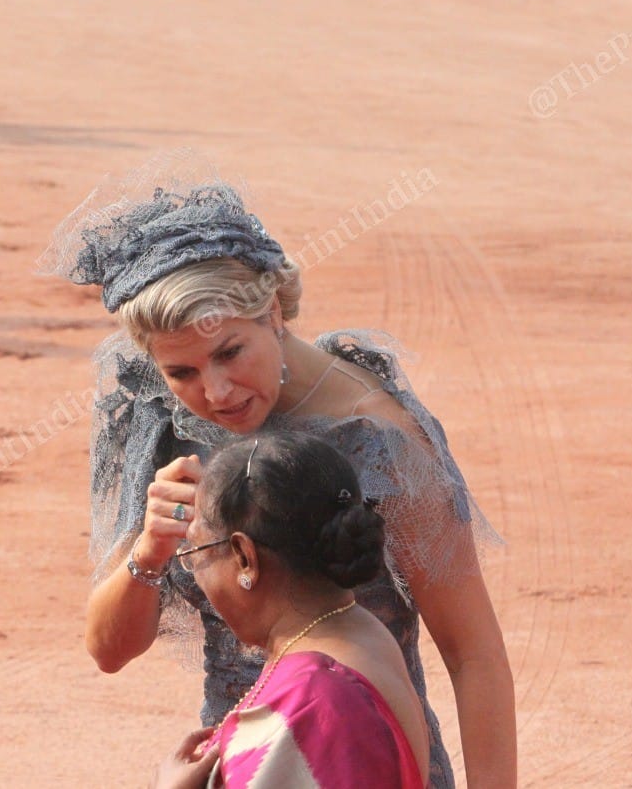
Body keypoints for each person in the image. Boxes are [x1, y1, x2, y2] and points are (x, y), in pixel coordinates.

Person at [39, 154, 515, 788]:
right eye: (181, 372)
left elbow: (473, 653)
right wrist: (150, 552)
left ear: (273, 312)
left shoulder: (381, 438)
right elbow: (109, 650)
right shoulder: (156, 420)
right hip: (242, 763)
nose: (215, 392)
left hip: (365, 758)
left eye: (230, 352)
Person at [152, 430, 429, 788]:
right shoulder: (358, 631)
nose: (199, 576)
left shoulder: (312, 698)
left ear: (244, 558)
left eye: (195, 553)